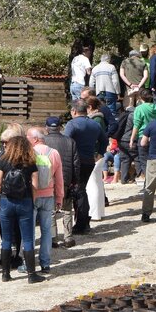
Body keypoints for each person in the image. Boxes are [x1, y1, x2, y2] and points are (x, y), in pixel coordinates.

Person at [0, 136, 40, 283]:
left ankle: (5, 274)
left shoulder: (3, 161)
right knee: (27, 239)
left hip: (6, 202)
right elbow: (35, 186)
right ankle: (31, 275)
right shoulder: (30, 162)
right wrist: (32, 202)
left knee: (6, 239)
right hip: (25, 201)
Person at [63, 99, 104, 234]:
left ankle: (82, 223)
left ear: (74, 111)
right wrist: (99, 154)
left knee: (79, 191)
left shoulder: (72, 124)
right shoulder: (95, 125)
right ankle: (83, 221)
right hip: (89, 161)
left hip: (76, 161)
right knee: (82, 190)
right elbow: (104, 140)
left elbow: (66, 141)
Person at [26, 127, 63, 275]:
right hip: (48, 196)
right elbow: (59, 178)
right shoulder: (54, 153)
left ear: (35, 139)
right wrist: (59, 197)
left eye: (27, 136)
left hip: (32, 195)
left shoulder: (29, 153)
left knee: (29, 231)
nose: (26, 139)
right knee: (47, 231)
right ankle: (45, 263)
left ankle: (27, 263)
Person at [44, 116, 79, 248]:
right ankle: (68, 237)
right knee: (67, 210)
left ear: (46, 127)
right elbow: (76, 164)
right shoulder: (70, 141)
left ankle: (53, 238)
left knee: (51, 211)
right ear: (60, 127)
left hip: (48, 180)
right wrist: (74, 181)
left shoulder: (43, 142)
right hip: (65, 179)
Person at [83, 97, 108, 222]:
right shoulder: (98, 118)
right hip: (98, 154)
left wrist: (98, 152)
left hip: (94, 154)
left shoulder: (96, 119)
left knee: (92, 184)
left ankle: (94, 213)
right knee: (97, 183)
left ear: (90, 107)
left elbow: (97, 138)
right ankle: (99, 212)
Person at [129, 89, 156, 185]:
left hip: (143, 136)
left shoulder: (139, 108)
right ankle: (154, 181)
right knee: (154, 160)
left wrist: (131, 139)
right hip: (155, 137)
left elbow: (136, 125)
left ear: (140, 98)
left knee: (144, 161)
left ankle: (148, 184)